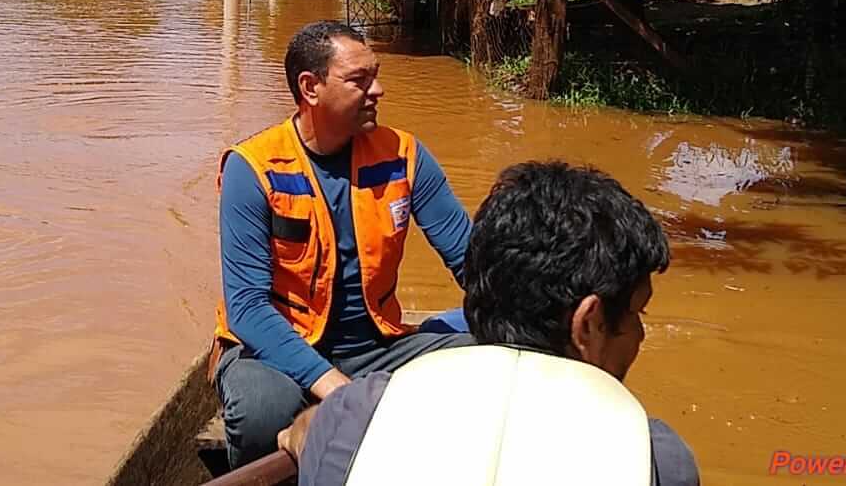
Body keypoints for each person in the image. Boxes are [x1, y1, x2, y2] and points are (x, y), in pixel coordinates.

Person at [277, 161, 701, 485]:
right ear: (588, 323)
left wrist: (306, 427)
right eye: (636, 315)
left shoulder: (351, 419)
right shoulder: (657, 460)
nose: (641, 335)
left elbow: (312, 429)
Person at [213, 20, 475, 469]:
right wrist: (336, 388)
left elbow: (473, 263)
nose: (378, 90)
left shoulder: (405, 156)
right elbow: (248, 309)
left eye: (376, 75)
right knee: (261, 413)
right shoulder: (252, 168)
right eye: (360, 80)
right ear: (310, 88)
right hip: (275, 349)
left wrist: (533, 319)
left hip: (377, 343)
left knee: (493, 346)